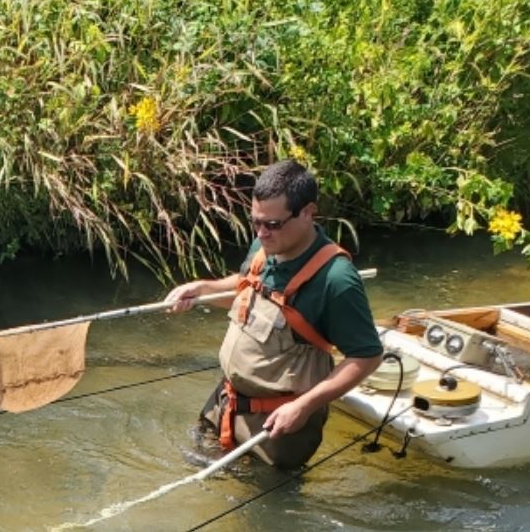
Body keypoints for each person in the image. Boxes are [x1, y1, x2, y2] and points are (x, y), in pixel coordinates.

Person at [164, 159, 383, 469]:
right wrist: (203, 290)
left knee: (259, 510)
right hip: (225, 404)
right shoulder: (264, 246)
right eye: (256, 222)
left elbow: (367, 356)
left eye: (273, 224)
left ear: (307, 212)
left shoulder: (336, 280)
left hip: (281, 427)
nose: (262, 233)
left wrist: (305, 407)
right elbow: (245, 291)